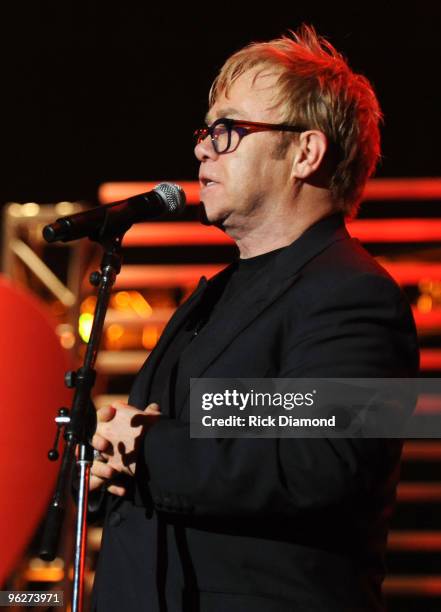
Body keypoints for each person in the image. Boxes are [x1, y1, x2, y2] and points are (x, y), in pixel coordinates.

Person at [89, 25, 419, 612]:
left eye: (229, 130)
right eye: (205, 131)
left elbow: (317, 459)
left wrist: (142, 445)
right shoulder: (210, 298)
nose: (202, 149)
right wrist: (103, 462)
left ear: (305, 153)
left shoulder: (353, 296)